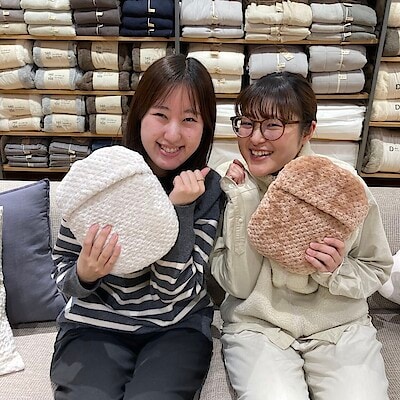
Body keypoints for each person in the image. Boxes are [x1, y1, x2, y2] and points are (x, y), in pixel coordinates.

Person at [50, 54, 224, 400]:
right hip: (93, 327)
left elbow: (173, 291)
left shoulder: (207, 189)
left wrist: (178, 210)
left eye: (189, 119)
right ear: (139, 114)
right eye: (161, 114)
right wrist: (85, 274)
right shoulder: (100, 175)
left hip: (177, 327)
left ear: (205, 126)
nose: (172, 133)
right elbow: (63, 272)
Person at [211, 71, 393, 400]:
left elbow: (375, 267)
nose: (255, 139)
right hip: (258, 326)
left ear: (308, 130)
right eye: (247, 123)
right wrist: (245, 202)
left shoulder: (344, 187)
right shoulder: (229, 185)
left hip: (339, 327)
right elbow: (238, 286)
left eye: (273, 125)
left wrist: (335, 270)